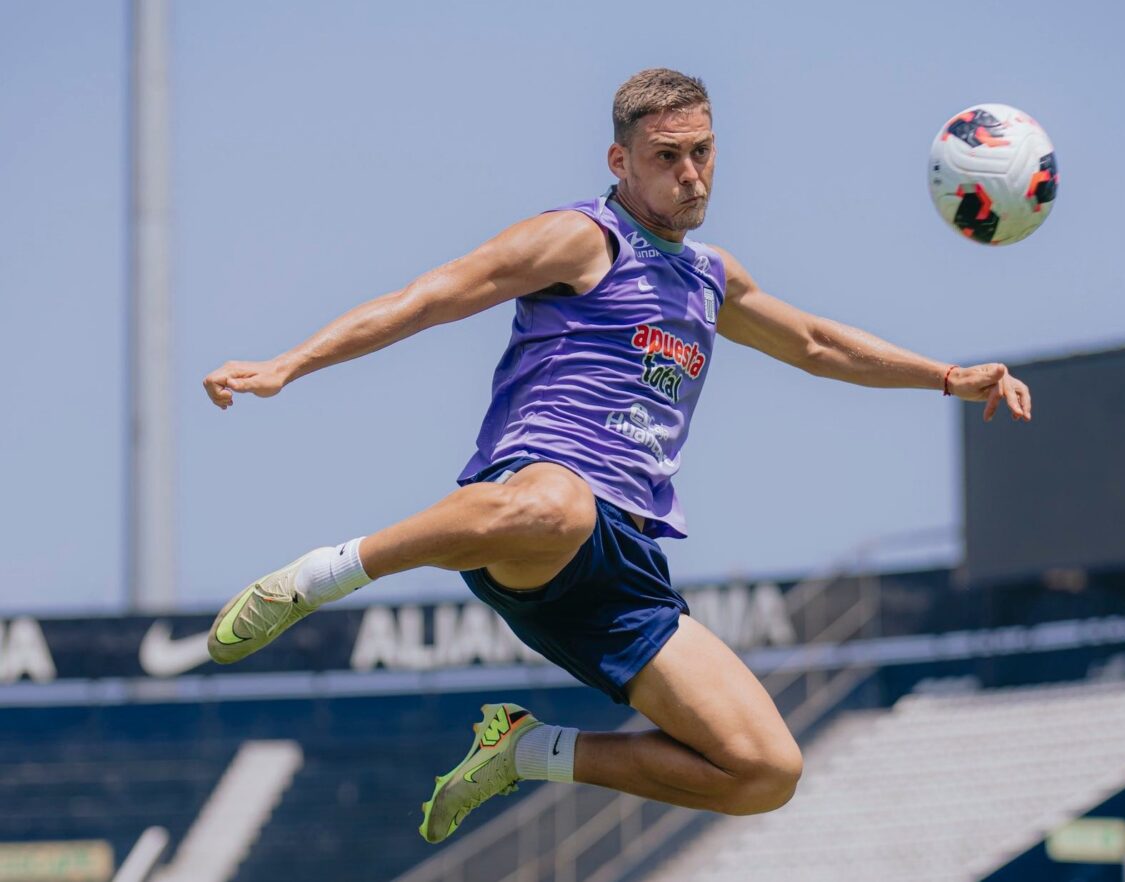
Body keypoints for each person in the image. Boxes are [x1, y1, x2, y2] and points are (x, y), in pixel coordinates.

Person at [202, 68, 1032, 844]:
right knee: (561, 504)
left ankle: (522, 752)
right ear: (620, 160)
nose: (692, 175)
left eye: (703, 152)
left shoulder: (710, 277)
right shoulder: (578, 239)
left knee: (764, 771)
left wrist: (948, 375)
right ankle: (318, 577)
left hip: (625, 566)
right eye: (667, 158)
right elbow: (427, 297)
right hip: (528, 514)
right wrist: (290, 363)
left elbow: (817, 343)